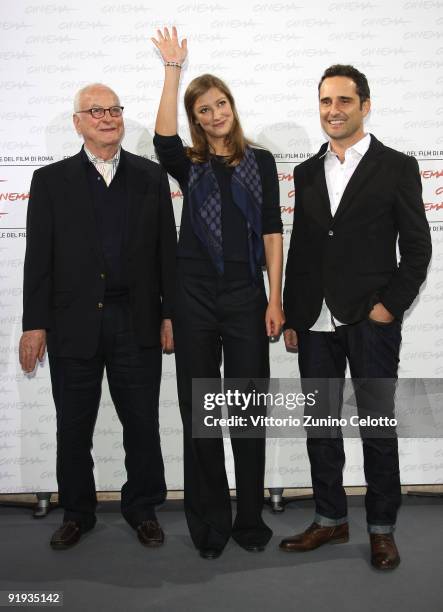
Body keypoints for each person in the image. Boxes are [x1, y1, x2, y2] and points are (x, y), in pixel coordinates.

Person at [280, 65, 432, 569]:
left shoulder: (397, 166)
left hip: (370, 322)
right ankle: (330, 520)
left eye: (344, 101)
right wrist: (294, 315)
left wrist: (388, 307)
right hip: (315, 324)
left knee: (376, 427)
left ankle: (382, 528)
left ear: (365, 105)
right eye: (325, 101)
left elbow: (417, 248)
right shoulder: (305, 171)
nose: (333, 111)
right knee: (320, 426)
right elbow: (303, 249)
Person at [19, 83, 177, 550]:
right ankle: (77, 511)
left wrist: (170, 314)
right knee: (73, 425)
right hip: (72, 325)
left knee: (143, 423)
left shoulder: (151, 177)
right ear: (78, 123)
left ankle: (143, 507)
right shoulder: (50, 182)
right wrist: (34, 323)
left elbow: (166, 253)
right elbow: (38, 260)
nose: (107, 118)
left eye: (113, 109)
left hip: (138, 321)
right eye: (95, 111)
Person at [151, 27, 284, 559]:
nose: (214, 115)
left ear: (232, 105)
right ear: (196, 118)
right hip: (195, 297)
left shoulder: (262, 162)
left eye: (220, 103)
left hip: (246, 296)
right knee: (201, 412)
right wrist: (173, 71)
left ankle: (250, 520)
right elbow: (162, 141)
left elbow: (273, 229)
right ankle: (210, 523)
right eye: (202, 110)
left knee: (248, 411)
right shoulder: (190, 162)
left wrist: (275, 298)